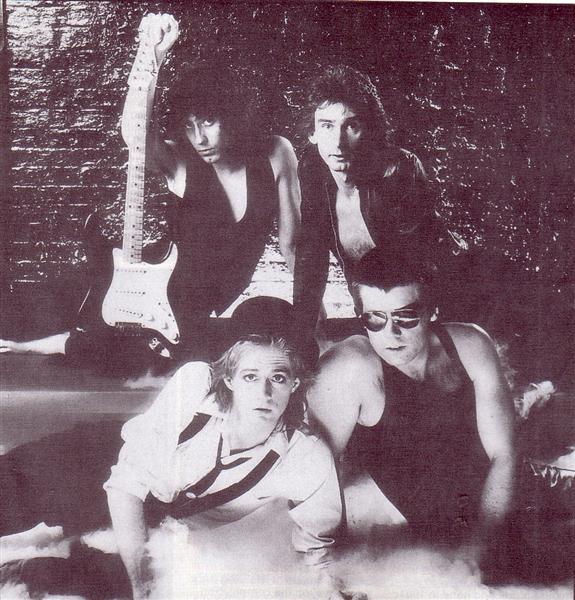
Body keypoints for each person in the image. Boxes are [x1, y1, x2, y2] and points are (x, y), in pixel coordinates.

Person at [1, 13, 301, 371]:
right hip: (153, 293)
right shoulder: (183, 163)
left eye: (209, 122)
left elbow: (291, 244)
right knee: (39, 320)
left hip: (190, 310)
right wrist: (152, 59)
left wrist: (313, 311)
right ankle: (30, 344)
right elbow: (135, 135)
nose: (200, 138)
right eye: (189, 126)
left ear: (232, 115)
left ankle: (40, 342)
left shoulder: (276, 154)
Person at [306, 248, 516, 569]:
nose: (391, 334)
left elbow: (505, 454)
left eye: (405, 317)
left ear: (432, 310)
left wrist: (480, 546)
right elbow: (311, 478)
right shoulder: (348, 368)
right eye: (374, 319)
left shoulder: (471, 346)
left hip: (484, 512)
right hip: (392, 531)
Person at [292, 65, 463, 345]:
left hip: (446, 303)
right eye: (326, 125)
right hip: (383, 317)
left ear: (369, 130)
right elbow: (311, 257)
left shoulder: (397, 170)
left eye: (352, 126)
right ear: (312, 133)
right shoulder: (313, 169)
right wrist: (301, 337)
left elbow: (418, 269)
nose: (338, 142)